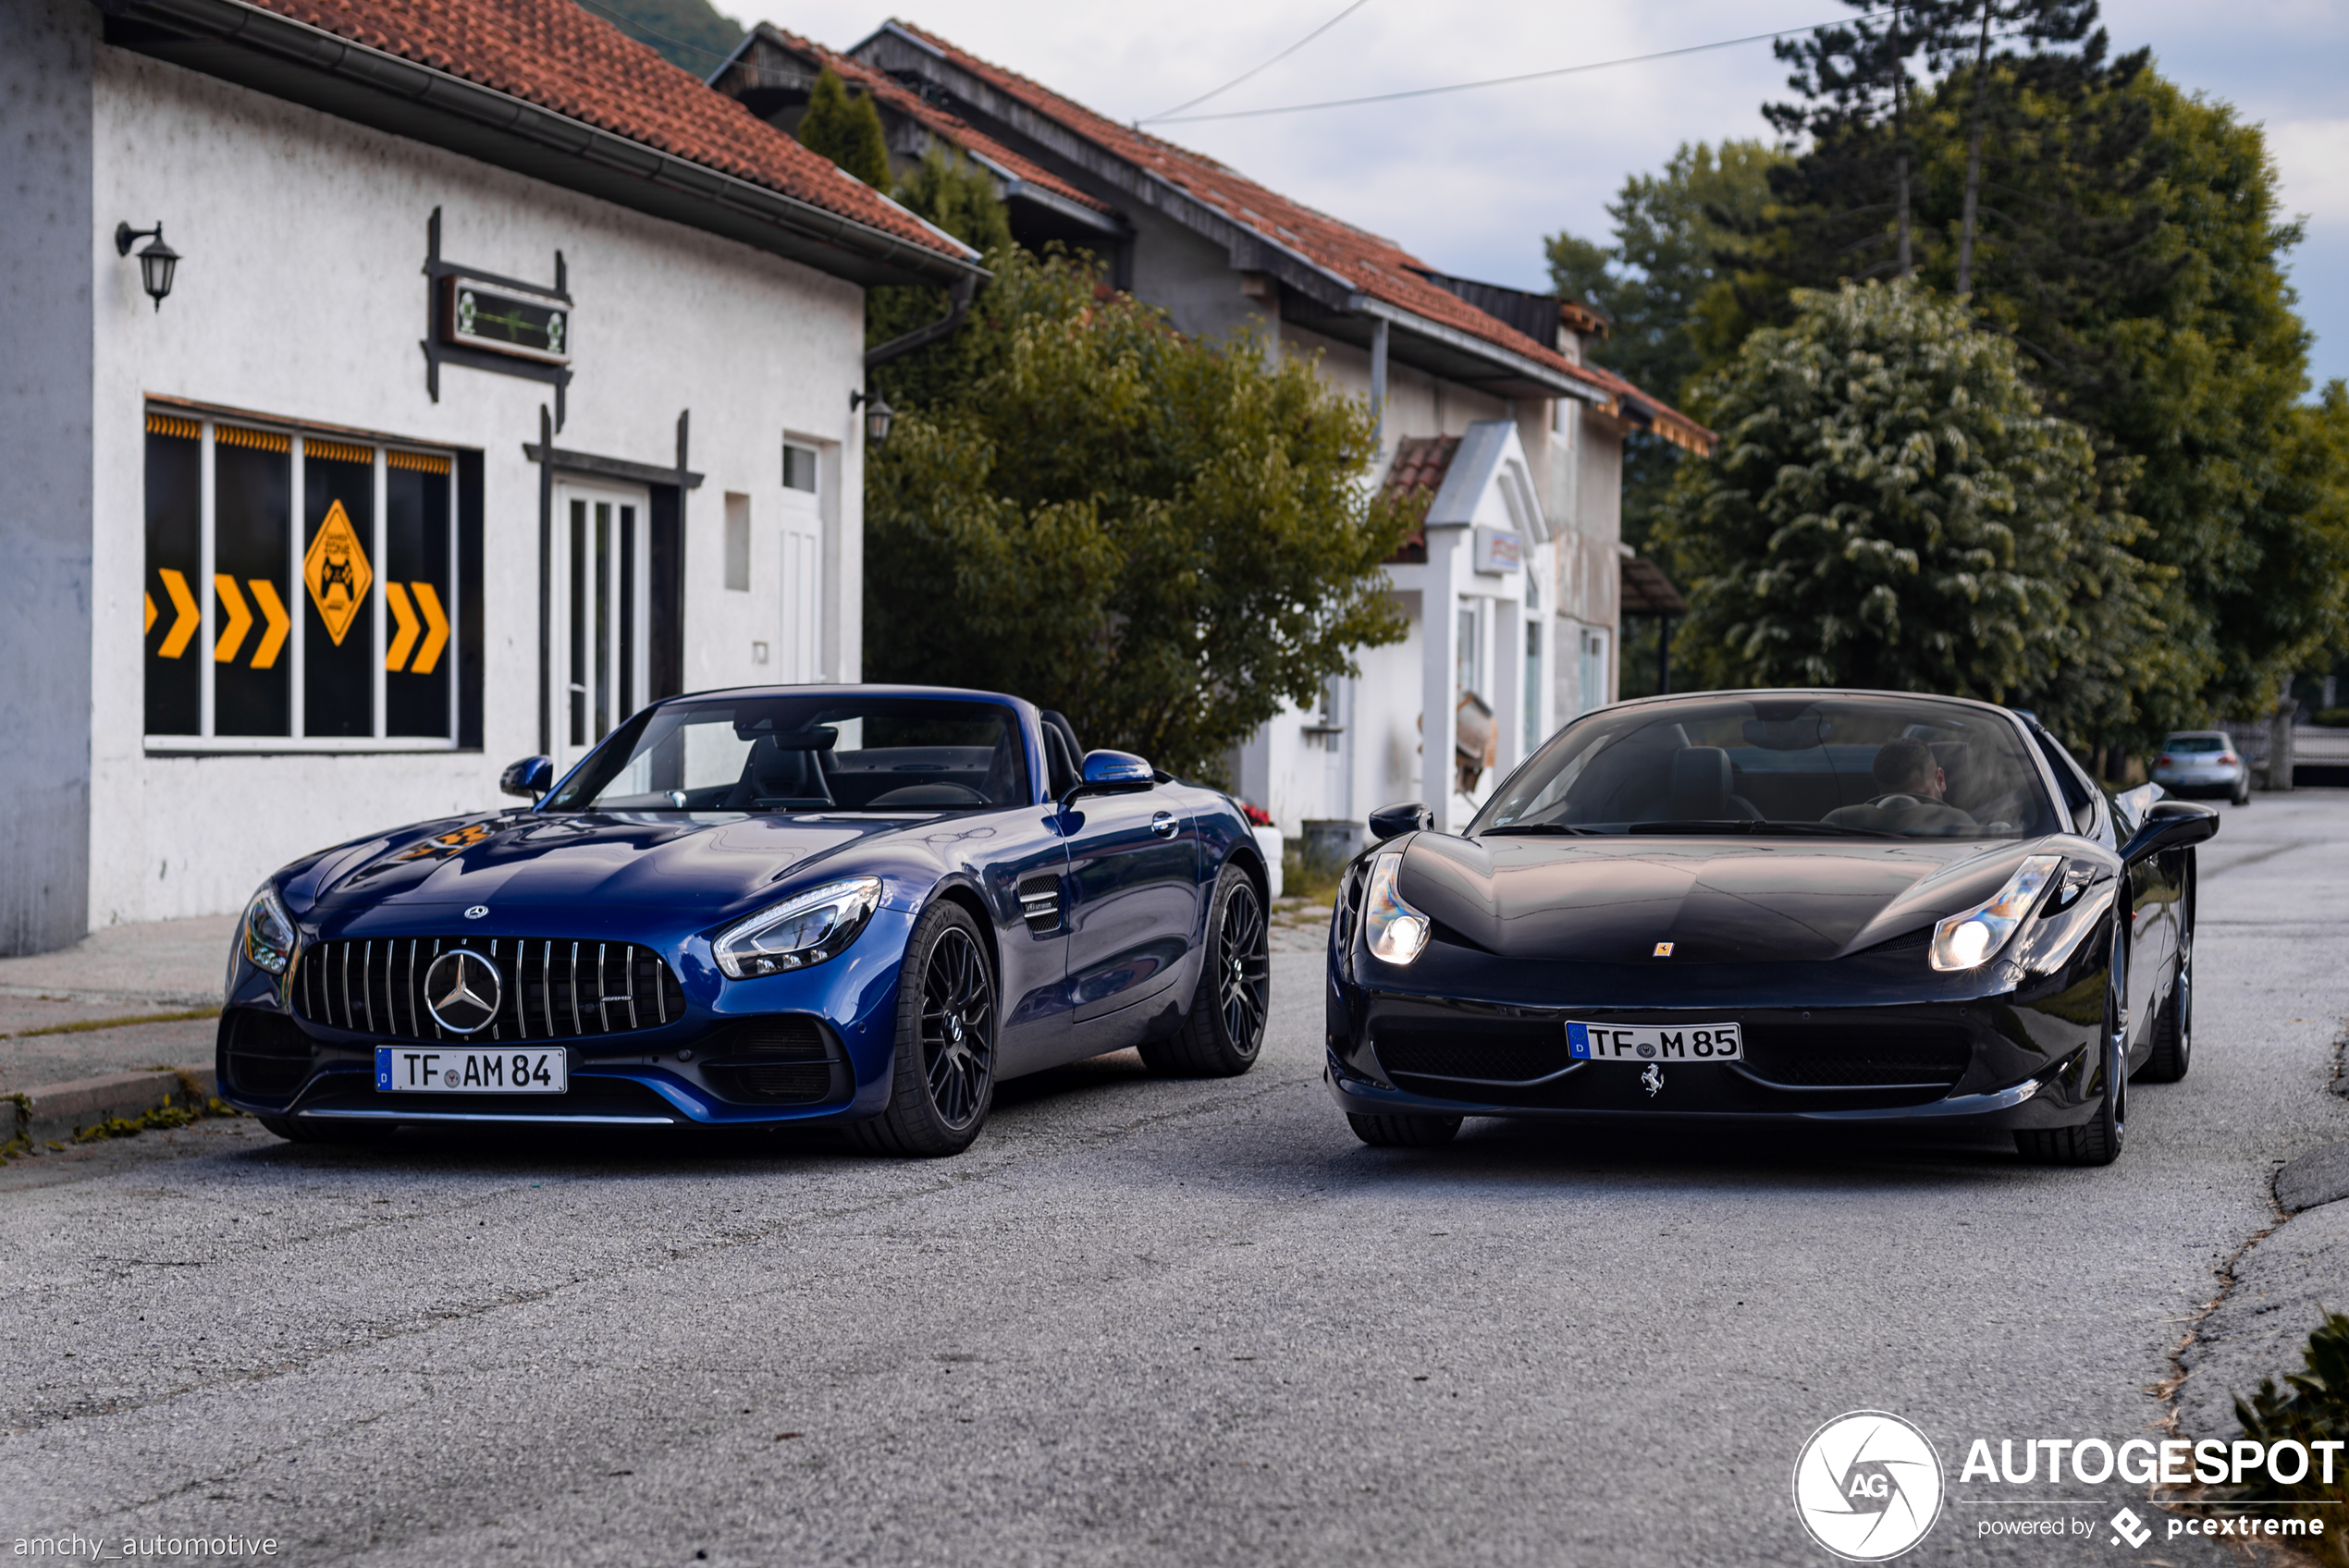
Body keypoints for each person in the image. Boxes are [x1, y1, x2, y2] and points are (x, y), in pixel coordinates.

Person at [1824, 736, 1980, 835]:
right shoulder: (1961, 827)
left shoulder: (1837, 826)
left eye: (1920, 800)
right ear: (1939, 779)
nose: (1908, 814)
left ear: (1940, 780)